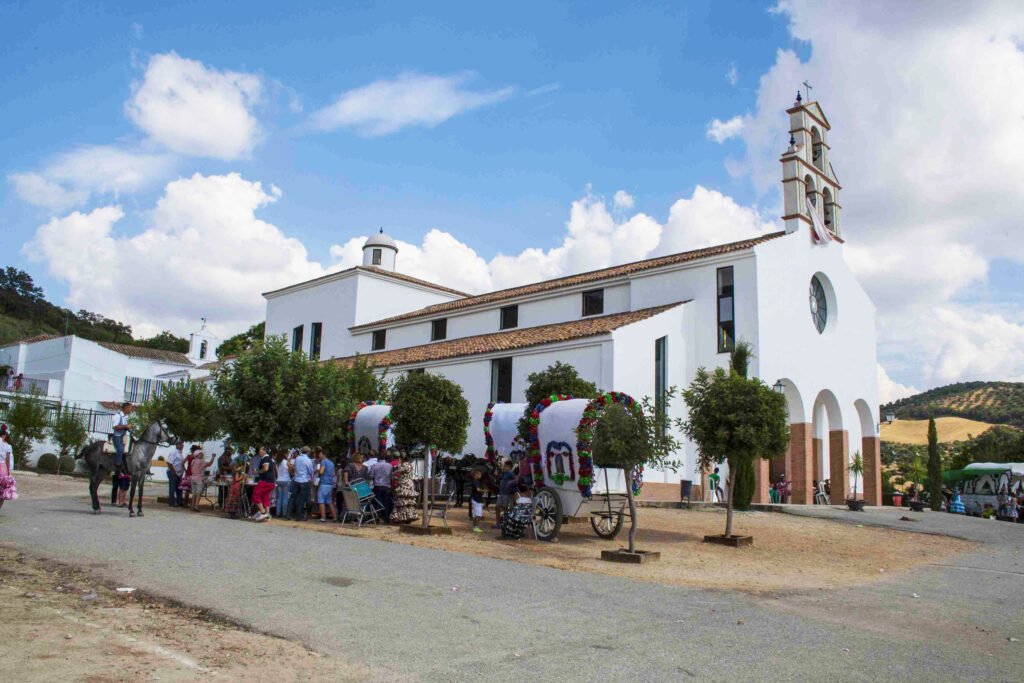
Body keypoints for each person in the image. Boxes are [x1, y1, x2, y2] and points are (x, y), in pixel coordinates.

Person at [390, 452, 419, 524]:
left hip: (404, 485)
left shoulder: (404, 465)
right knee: (408, 501)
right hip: (409, 484)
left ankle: (403, 517)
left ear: (401, 458)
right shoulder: (409, 464)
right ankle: (409, 517)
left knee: (402, 501)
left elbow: (395, 472)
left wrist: (395, 468)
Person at [247, 446, 274, 522]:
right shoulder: (268, 459)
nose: (259, 452)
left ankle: (262, 512)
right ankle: (267, 514)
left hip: (265, 481)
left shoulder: (265, 458)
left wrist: (257, 472)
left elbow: (266, 468)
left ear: (264, 451)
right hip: (271, 481)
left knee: (255, 495)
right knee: (265, 498)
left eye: (260, 450)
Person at [289, 446, 315, 521]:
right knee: (301, 499)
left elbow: (295, 468)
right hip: (304, 481)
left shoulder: (297, 458)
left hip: (296, 480)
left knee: (293, 498)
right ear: (308, 452)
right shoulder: (308, 460)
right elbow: (311, 471)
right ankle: (299, 516)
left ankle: (288, 515)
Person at [316, 449, 337, 523]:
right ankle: (335, 517)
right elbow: (333, 474)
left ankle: (323, 518)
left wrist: (317, 471)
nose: (319, 455)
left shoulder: (323, 461)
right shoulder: (331, 463)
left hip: (324, 483)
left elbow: (321, 471)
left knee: (321, 501)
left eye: (320, 454)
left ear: (324, 454)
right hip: (330, 484)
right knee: (329, 501)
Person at [111, 402, 133, 470]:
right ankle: (117, 465)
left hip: (123, 436)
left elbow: (124, 427)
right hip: (117, 436)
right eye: (130, 408)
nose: (131, 410)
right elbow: (115, 427)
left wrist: (129, 428)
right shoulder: (117, 416)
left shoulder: (126, 417)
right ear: (126, 408)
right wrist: (126, 426)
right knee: (120, 449)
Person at [496, 460, 516, 529]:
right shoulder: (504, 473)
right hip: (501, 493)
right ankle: (498, 523)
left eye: (505, 466)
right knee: (497, 507)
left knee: (505, 508)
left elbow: (515, 480)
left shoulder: (511, 474)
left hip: (507, 494)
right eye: (504, 466)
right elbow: (499, 479)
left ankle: (505, 523)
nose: (504, 467)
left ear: (509, 467)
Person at [0, 430, 17, 511]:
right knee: (3, 490)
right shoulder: (7, 446)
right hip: (3, 468)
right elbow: (8, 460)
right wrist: (9, 471)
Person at [165, 440, 185, 507]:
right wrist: (173, 471)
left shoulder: (180, 453)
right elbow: (169, 462)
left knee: (179, 488)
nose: (182, 446)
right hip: (173, 472)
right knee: (172, 488)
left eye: (182, 445)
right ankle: (171, 503)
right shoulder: (173, 452)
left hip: (179, 473)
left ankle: (179, 501)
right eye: (181, 444)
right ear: (177, 445)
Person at [189, 447, 208, 511]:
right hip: (199, 479)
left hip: (193, 478)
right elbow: (209, 464)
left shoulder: (193, 461)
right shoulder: (201, 461)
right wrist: (213, 458)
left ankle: (192, 506)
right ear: (197, 455)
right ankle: (196, 506)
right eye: (200, 454)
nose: (202, 455)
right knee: (198, 493)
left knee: (194, 493)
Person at [274, 451, 291, 518]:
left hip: (278, 481)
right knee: (285, 497)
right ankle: (284, 513)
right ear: (284, 455)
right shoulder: (286, 462)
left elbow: (276, 473)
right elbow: (290, 471)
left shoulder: (277, 463)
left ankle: (278, 513)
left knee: (279, 497)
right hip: (286, 480)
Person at [469, 468, 485, 533]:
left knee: (475, 515)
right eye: (480, 474)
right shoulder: (476, 481)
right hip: (477, 500)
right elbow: (478, 489)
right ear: (476, 475)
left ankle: (474, 527)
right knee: (478, 515)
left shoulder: (475, 481)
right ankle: (476, 527)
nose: (480, 475)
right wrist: (485, 490)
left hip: (475, 499)